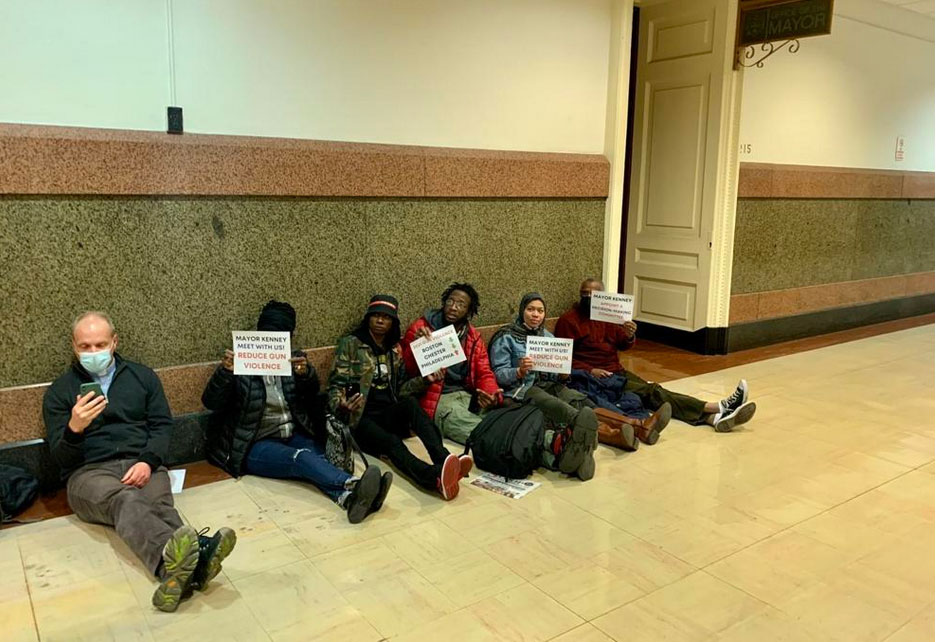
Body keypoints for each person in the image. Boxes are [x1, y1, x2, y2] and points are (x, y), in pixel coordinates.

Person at [43, 311, 236, 613]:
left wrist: (147, 462)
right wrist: (74, 428)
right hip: (89, 474)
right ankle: (196, 559)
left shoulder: (142, 377)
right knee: (127, 499)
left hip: (142, 462)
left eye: (100, 344)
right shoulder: (60, 392)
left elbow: (161, 426)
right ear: (74, 346)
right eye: (85, 346)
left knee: (160, 507)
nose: (93, 352)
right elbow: (60, 457)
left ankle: (176, 575)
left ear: (114, 342)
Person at [202, 300, 385, 524]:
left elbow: (311, 393)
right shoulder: (241, 362)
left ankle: (348, 499)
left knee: (320, 461)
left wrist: (305, 374)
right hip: (254, 443)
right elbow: (211, 402)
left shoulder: (293, 359)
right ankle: (354, 484)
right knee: (302, 459)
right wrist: (225, 373)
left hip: (291, 433)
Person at [555, 278, 756, 432]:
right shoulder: (569, 320)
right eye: (584, 294)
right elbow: (563, 359)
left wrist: (629, 335)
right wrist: (591, 370)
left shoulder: (610, 315)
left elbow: (623, 345)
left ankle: (713, 418)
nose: (588, 298)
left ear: (603, 296)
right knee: (652, 392)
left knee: (650, 393)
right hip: (593, 377)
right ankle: (716, 407)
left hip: (616, 372)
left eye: (594, 294)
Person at [488, 292, 670, 453]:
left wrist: (562, 374)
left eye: (540, 311)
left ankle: (638, 427)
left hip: (549, 385)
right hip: (523, 391)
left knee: (582, 401)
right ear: (522, 311)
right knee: (564, 409)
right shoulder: (506, 337)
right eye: (530, 309)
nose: (535, 314)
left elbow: (556, 373)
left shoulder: (547, 337)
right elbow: (498, 374)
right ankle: (616, 435)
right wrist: (519, 371)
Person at [328, 295, 469, 500]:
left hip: (387, 412)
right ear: (368, 318)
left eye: (386, 317)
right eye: (375, 315)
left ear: (392, 322)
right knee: (392, 442)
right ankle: (433, 478)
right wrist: (341, 405)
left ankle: (445, 459)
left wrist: (424, 380)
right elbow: (336, 385)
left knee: (411, 404)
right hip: (360, 418)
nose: (380, 320)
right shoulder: (351, 344)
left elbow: (402, 390)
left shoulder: (394, 349)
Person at [400, 283, 503, 445]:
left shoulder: (472, 336)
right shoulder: (421, 328)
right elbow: (406, 370)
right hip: (437, 397)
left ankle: (536, 443)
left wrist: (490, 393)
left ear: (469, 311)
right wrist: (416, 345)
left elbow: (484, 371)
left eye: (461, 304)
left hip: (465, 394)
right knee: (482, 433)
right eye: (450, 301)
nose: (453, 307)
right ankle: (510, 444)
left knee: (500, 419)